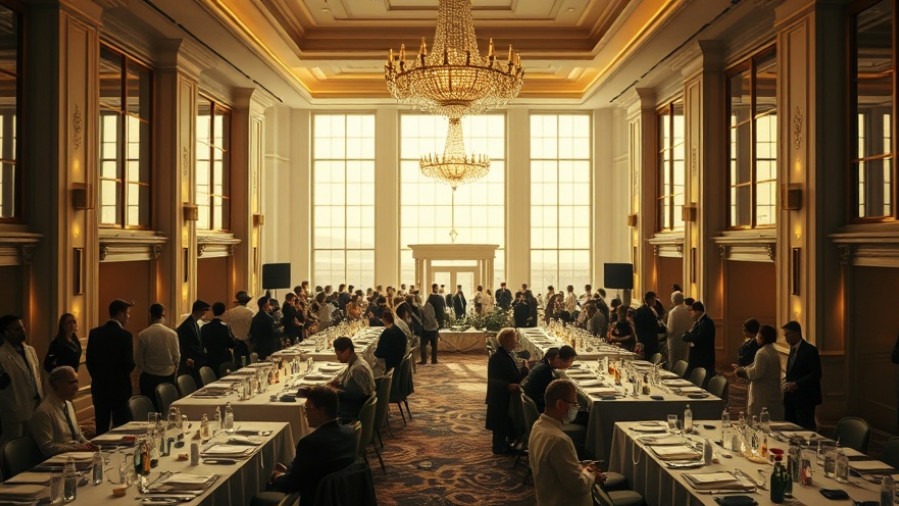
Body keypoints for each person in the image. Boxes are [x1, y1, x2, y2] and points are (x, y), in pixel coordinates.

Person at [268, 386, 357, 505]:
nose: (305, 413)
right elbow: (312, 469)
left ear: (322, 411)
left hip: (316, 499)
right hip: (341, 496)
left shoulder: (310, 443)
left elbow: (292, 484)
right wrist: (289, 471)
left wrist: (277, 477)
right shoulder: (349, 433)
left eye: (308, 409)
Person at [529, 379, 606, 506]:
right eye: (574, 405)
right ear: (560, 405)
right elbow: (579, 486)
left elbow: (555, 467)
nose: (575, 409)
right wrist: (591, 471)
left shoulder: (538, 426)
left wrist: (580, 466)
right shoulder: (558, 440)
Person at [86, 299, 135, 434]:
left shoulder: (94, 333)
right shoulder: (125, 336)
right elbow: (129, 363)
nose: (128, 317)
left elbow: (89, 361)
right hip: (120, 387)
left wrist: (100, 377)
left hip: (100, 387)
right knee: (122, 428)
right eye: (127, 314)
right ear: (120, 314)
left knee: (101, 426)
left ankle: (100, 452)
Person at [29, 366, 96, 458]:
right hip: (61, 461)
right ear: (56, 385)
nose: (76, 387)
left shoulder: (68, 404)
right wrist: (75, 448)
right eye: (71, 383)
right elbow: (47, 448)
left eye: (76, 381)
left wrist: (88, 444)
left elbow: (78, 436)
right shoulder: (44, 412)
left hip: (78, 456)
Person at [0, 314, 44, 444]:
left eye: (22, 327)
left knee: (34, 443)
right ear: (6, 333)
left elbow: (36, 376)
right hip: (15, 409)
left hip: (36, 406)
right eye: (17, 329)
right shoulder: (2, 355)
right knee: (13, 445)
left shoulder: (30, 350)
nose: (22, 331)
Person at [486, 328, 528, 454]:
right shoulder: (497, 358)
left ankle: (506, 444)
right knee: (500, 424)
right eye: (514, 340)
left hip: (503, 394)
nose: (516, 343)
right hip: (500, 396)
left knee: (503, 423)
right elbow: (493, 381)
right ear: (506, 341)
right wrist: (524, 371)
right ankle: (500, 447)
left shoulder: (504, 354)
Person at [733, 324, 783, 420]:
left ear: (761, 337)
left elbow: (756, 373)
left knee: (759, 420)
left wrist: (742, 371)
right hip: (772, 391)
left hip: (762, 393)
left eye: (758, 335)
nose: (756, 337)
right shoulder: (772, 350)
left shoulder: (761, 353)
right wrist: (742, 368)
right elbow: (755, 365)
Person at [135, 303, 180, 409]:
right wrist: (175, 371)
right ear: (163, 315)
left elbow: (138, 359)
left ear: (150, 315)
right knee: (166, 408)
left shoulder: (143, 334)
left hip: (149, 376)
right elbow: (177, 357)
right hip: (167, 375)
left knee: (149, 408)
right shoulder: (172, 334)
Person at [782, 321, 822, 430]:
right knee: (790, 429)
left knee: (805, 429)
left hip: (805, 398)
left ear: (796, 333)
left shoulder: (810, 350)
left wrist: (796, 384)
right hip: (791, 397)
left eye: (787, 335)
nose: (785, 338)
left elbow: (816, 374)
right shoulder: (792, 349)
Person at [329, 336, 375, 421]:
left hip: (355, 409)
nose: (338, 358)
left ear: (347, 351)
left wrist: (334, 391)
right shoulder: (357, 361)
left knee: (324, 407)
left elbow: (354, 395)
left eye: (339, 354)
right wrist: (338, 385)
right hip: (359, 404)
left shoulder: (357, 369)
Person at [523, 346, 577, 413]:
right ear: (557, 359)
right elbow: (551, 397)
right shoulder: (545, 372)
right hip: (539, 408)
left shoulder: (543, 364)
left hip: (532, 402)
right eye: (571, 361)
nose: (570, 365)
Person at [201, 302, 238, 377]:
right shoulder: (224, 327)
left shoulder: (204, 327)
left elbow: (202, 343)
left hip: (209, 358)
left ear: (213, 312)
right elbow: (231, 344)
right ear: (224, 312)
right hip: (223, 359)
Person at [682, 301, 715, 380]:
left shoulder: (706, 322)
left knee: (701, 379)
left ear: (698, 311)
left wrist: (688, 336)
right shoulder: (699, 322)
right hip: (697, 356)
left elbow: (699, 338)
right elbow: (689, 334)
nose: (691, 314)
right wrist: (688, 335)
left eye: (692, 312)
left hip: (703, 357)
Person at [177, 300, 210, 381]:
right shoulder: (187, 325)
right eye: (203, 310)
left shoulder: (194, 323)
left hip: (197, 359)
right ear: (197, 311)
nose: (204, 313)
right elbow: (187, 345)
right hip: (191, 361)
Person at [223, 290, 254, 364]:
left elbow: (227, 326)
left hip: (236, 342)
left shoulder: (230, 312)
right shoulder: (251, 313)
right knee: (248, 363)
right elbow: (253, 329)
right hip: (248, 342)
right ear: (247, 301)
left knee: (237, 363)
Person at [665, 292, 693, 366]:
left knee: (674, 364)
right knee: (684, 364)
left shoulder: (673, 312)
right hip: (686, 341)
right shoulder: (689, 310)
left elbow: (670, 330)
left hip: (675, 342)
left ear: (673, 300)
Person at [634, 291, 662, 359]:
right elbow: (651, 326)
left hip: (648, 340)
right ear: (647, 299)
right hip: (648, 342)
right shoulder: (643, 311)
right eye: (653, 299)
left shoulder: (649, 309)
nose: (654, 301)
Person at [420, 297, 439, 364]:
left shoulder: (424, 307)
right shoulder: (433, 306)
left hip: (426, 328)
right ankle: (434, 360)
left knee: (423, 345)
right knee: (434, 346)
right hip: (433, 328)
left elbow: (422, 318)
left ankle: (424, 360)